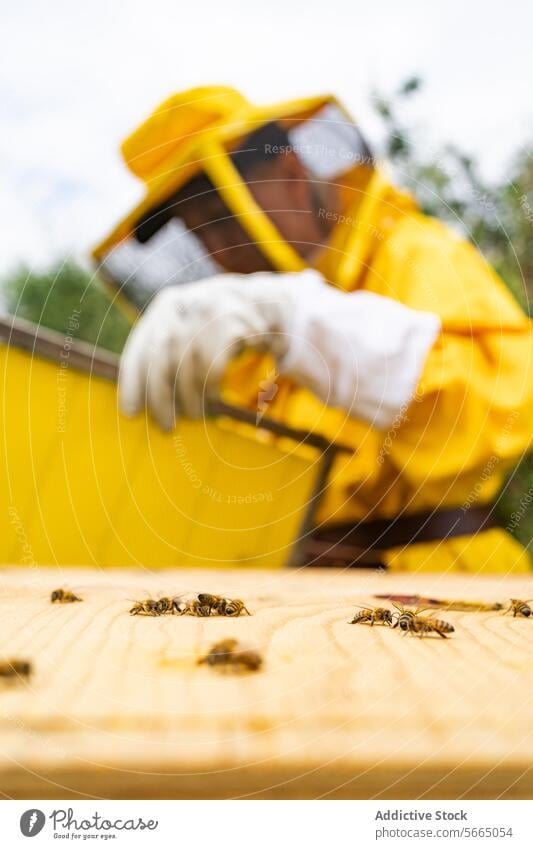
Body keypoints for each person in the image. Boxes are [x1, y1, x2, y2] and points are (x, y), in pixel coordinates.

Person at [95, 86, 533, 573]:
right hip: (296, 601)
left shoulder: (413, 252)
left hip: (445, 588)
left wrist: (296, 318)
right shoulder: (252, 342)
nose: (218, 252)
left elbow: (497, 408)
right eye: (200, 234)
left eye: (223, 219)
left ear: (291, 174)